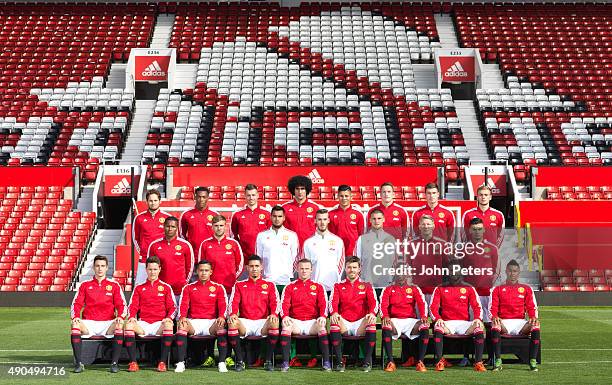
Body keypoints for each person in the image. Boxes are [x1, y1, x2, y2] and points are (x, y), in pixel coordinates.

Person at [70, 255, 127, 373]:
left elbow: (122, 305)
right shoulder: (85, 285)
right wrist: (75, 317)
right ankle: (79, 364)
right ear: (93, 267)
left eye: (102, 266)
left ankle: (114, 363)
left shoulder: (114, 285)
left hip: (107, 323)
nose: (100, 269)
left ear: (107, 268)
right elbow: (76, 304)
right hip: (89, 323)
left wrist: (121, 317)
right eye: (97, 266)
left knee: (119, 325)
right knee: (75, 325)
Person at [429, 263, 487, 372]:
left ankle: (478, 363)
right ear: (448, 272)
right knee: (437, 328)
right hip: (447, 323)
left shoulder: (469, 288)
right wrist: (437, 319)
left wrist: (477, 319)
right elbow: (433, 307)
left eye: (456, 270)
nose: (454, 272)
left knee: (479, 328)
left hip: (464, 324)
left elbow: (477, 306)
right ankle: (440, 361)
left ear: (461, 271)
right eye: (451, 270)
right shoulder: (440, 288)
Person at [227, 255, 280, 372]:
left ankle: (268, 361)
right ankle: (240, 362)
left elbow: (275, 303)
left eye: (257, 266)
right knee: (232, 322)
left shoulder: (270, 285)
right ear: (247, 268)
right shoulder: (239, 285)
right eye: (251, 266)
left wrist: (274, 314)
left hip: (262, 322)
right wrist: (233, 314)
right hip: (245, 322)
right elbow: (233, 302)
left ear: (261, 267)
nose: (254, 269)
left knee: (275, 322)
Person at [175, 260, 229, 373]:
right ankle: (180, 363)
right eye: (201, 270)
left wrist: (222, 317)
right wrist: (183, 317)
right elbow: (183, 305)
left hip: (211, 323)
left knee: (221, 325)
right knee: (182, 325)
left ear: (211, 272)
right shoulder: (188, 288)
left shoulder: (218, 288)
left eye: (206, 270)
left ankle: (221, 362)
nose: (203, 273)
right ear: (196, 272)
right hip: (194, 322)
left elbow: (223, 305)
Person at [124, 256, 176, 373]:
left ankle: (162, 363)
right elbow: (132, 306)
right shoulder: (139, 288)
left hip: (159, 324)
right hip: (143, 324)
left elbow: (173, 307)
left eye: (155, 269)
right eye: (150, 269)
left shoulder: (166, 288)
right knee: (128, 325)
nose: (152, 272)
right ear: (146, 270)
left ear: (159, 269)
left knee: (169, 325)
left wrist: (168, 318)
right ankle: (133, 363)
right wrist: (132, 317)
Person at [279, 259, 331, 372]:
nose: (304, 271)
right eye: (301, 268)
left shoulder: (318, 287)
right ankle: (285, 362)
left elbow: (324, 305)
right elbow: (284, 304)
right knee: (286, 326)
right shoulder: (289, 286)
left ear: (311, 270)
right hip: (295, 322)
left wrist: (322, 316)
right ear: (297, 269)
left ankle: (326, 362)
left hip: (312, 322)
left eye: (307, 269)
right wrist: (285, 317)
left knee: (322, 326)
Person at [329, 256, 378, 372]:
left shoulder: (367, 285)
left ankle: (367, 362)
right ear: (345, 269)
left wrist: (372, 313)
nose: (352, 270)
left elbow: (374, 302)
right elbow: (333, 302)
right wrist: (334, 312)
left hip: (360, 323)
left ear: (359, 269)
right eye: (349, 267)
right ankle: (340, 362)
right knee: (334, 321)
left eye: (354, 267)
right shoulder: (338, 286)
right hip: (344, 323)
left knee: (371, 321)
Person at [489, 259, 540, 372]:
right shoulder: (497, 289)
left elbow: (532, 307)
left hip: (520, 323)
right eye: (510, 271)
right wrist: (494, 317)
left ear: (519, 272)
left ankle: (532, 361)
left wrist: (533, 317)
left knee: (535, 325)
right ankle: (498, 360)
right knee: (495, 325)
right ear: (506, 271)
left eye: (515, 271)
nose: (513, 274)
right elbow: (492, 308)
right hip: (504, 323)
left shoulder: (526, 289)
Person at [380, 273, 429, 372]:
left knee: (424, 326)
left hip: (410, 321)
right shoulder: (388, 288)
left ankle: (420, 362)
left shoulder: (414, 288)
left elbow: (422, 303)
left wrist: (424, 315)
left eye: (403, 273)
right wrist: (385, 316)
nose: (401, 276)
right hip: (394, 320)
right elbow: (383, 304)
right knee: (386, 325)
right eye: (399, 273)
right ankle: (390, 362)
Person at [461, 217, 500, 320]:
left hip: (486, 293)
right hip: (470, 293)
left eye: (479, 229)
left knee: (488, 323)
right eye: (474, 229)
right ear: (469, 230)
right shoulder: (463, 248)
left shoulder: (492, 248)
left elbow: (496, 270)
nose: (477, 232)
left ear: (484, 230)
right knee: (471, 323)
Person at [147, 216, 194, 302]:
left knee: (179, 314)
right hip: (161, 289)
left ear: (177, 228)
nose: (170, 229)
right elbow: (150, 267)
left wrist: (183, 283)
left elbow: (189, 267)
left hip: (179, 290)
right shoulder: (154, 245)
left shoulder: (185, 245)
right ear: (164, 226)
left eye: (173, 226)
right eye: (168, 226)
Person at [198, 215, 244, 294]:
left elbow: (240, 264)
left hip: (230, 287)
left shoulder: (234, 243)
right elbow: (201, 266)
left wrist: (232, 278)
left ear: (225, 226)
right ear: (212, 227)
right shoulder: (205, 244)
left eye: (221, 225)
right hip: (211, 288)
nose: (219, 228)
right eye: (216, 226)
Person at [133, 189, 171, 284]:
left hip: (162, 260)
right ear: (147, 202)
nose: (153, 203)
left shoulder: (167, 218)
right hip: (145, 259)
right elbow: (135, 238)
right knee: (141, 286)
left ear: (160, 201)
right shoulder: (139, 218)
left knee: (162, 287)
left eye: (155, 200)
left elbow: (171, 238)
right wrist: (144, 251)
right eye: (150, 201)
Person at [255, 205, 299, 288]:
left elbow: (295, 258)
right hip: (267, 280)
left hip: (286, 281)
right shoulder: (262, 235)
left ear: (284, 218)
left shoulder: (292, 235)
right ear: (271, 217)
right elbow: (258, 258)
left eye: (280, 216)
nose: (277, 219)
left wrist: (288, 273)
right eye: (274, 216)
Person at [230, 184, 271, 272]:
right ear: (245, 196)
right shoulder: (237, 215)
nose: (251, 198)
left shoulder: (267, 214)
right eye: (248, 195)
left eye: (253, 195)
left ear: (258, 195)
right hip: (245, 258)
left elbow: (271, 236)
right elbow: (233, 236)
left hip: (263, 257)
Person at [303, 209, 345, 291]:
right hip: (314, 287)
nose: (322, 222)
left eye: (325, 219)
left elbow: (341, 264)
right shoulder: (308, 243)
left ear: (328, 220)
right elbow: (305, 266)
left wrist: (336, 281)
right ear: (315, 221)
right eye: (319, 219)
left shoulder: (338, 241)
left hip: (333, 287)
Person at [407, 215, 450, 294]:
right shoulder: (410, 245)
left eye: (428, 224)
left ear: (433, 226)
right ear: (419, 226)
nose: (426, 226)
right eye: (423, 224)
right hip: (417, 290)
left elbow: (447, 268)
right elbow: (406, 267)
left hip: (437, 290)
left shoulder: (442, 244)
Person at [355, 208, 397, 288]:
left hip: (385, 281)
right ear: (370, 220)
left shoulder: (391, 239)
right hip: (367, 280)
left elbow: (395, 261)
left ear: (383, 219)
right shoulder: (361, 239)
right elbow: (357, 260)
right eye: (374, 219)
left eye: (379, 218)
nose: (376, 221)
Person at [282, 175, 321, 252]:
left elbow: (320, 229)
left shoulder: (315, 208)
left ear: (307, 190)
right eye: (297, 189)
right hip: (289, 248)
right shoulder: (285, 208)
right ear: (293, 190)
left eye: (302, 189)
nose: (300, 192)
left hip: (310, 248)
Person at [180, 186, 219, 253]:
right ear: (195, 197)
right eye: (199, 197)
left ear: (208, 198)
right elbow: (181, 235)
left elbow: (219, 234)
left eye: (204, 197)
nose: (201, 199)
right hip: (193, 252)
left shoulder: (215, 215)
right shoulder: (186, 214)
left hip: (210, 252)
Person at [328, 185, 365, 256]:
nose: (344, 198)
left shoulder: (358, 214)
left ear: (351, 197)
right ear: (338, 197)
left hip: (353, 253)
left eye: (346, 196)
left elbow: (361, 235)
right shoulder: (330, 214)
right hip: (335, 252)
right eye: (341, 196)